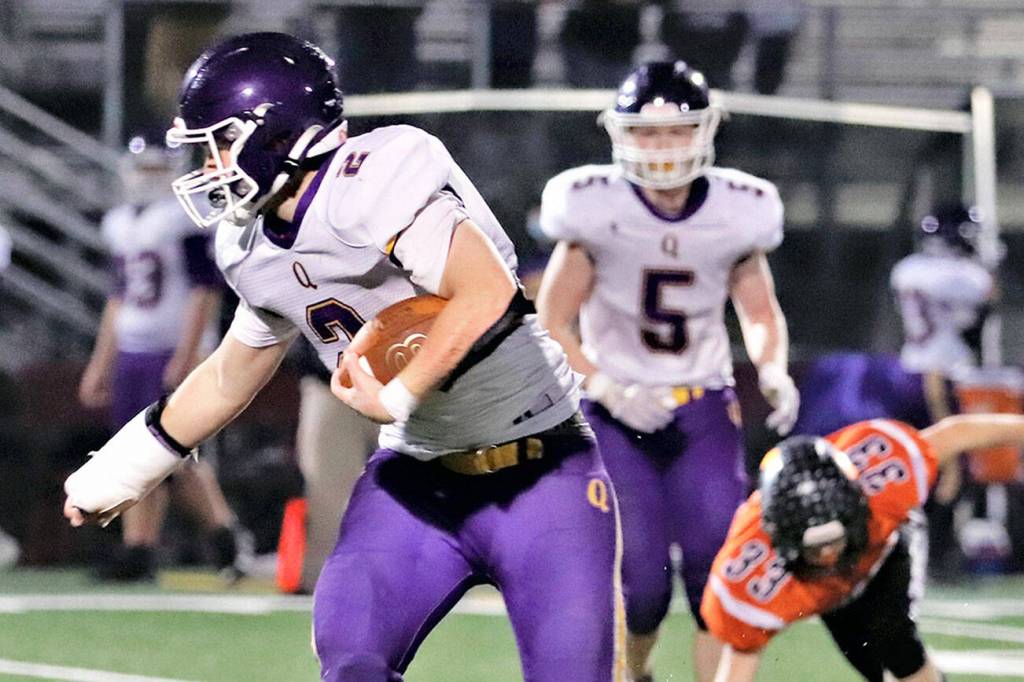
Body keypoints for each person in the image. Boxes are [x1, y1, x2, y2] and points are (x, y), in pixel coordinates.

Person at [64, 33, 624, 681]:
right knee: (350, 656)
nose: (209, 164)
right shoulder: (248, 244)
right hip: (417, 476)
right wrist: (128, 466)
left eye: (220, 142)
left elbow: (487, 292)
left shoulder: (375, 177)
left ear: (276, 133)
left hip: (541, 471)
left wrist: (398, 393)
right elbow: (228, 375)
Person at [536, 60, 798, 682]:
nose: (662, 147)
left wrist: (773, 369)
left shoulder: (740, 208)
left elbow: (759, 311)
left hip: (703, 405)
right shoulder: (592, 205)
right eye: (647, 133)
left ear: (706, 130)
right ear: (620, 133)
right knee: (641, 581)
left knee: (719, 568)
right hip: (615, 413)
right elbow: (551, 320)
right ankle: (638, 672)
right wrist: (605, 387)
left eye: (677, 130)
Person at [701, 413, 1024, 681]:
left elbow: (955, 434)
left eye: (834, 540)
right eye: (815, 549)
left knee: (897, 644)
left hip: (884, 552)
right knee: (874, 668)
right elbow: (737, 666)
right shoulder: (750, 574)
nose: (829, 556)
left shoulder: (885, 479)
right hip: (827, 596)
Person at [77, 135, 251, 581]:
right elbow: (118, 299)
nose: (147, 177)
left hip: (172, 348)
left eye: (156, 168)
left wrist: (187, 353)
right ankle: (140, 548)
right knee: (133, 452)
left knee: (173, 452)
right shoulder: (119, 222)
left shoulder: (183, 217)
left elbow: (204, 291)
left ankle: (224, 538)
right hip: (133, 350)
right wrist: (101, 363)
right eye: (143, 168)